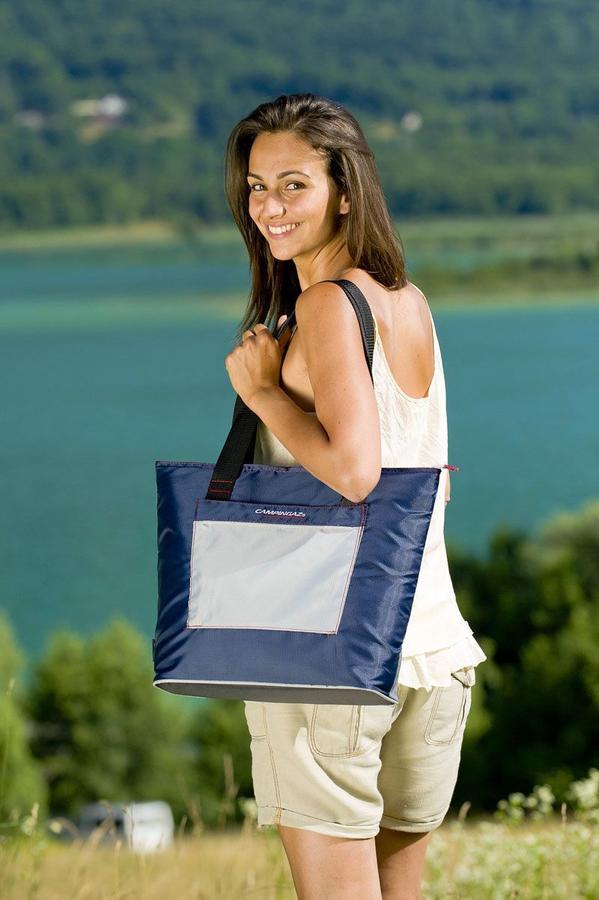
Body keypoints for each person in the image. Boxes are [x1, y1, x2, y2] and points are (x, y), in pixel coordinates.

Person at [223, 93, 487, 900]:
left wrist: (263, 396)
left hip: (331, 656)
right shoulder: (405, 301)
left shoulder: (325, 305)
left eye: (293, 184)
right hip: (430, 650)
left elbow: (355, 470)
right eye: (256, 185)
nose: (268, 206)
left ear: (345, 191)